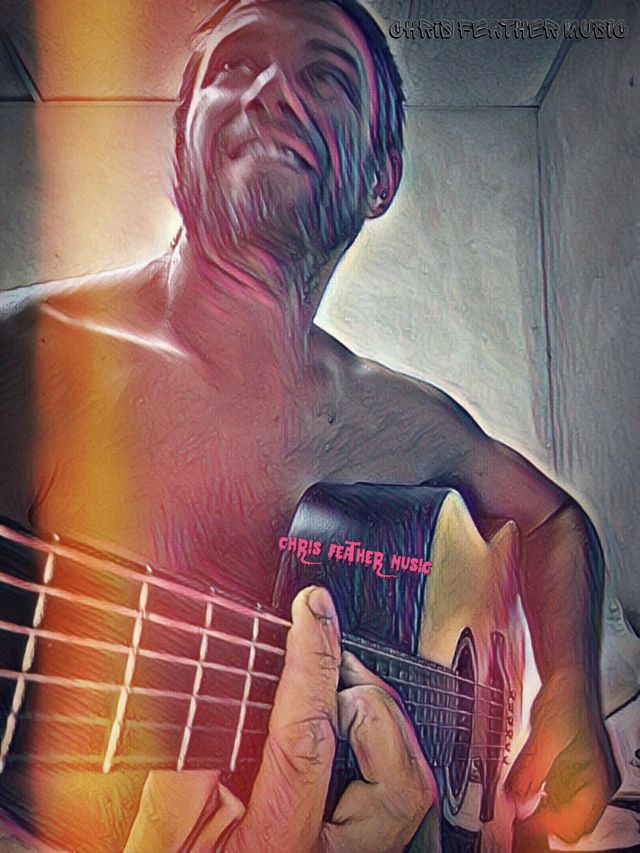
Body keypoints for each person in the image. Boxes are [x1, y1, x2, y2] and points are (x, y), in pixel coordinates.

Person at [0, 0, 619, 849]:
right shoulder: (27, 361)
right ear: (180, 139)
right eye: (234, 64)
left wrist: (571, 689)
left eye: (324, 75)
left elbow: (553, 523)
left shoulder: (400, 417)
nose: (271, 91)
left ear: (380, 178)